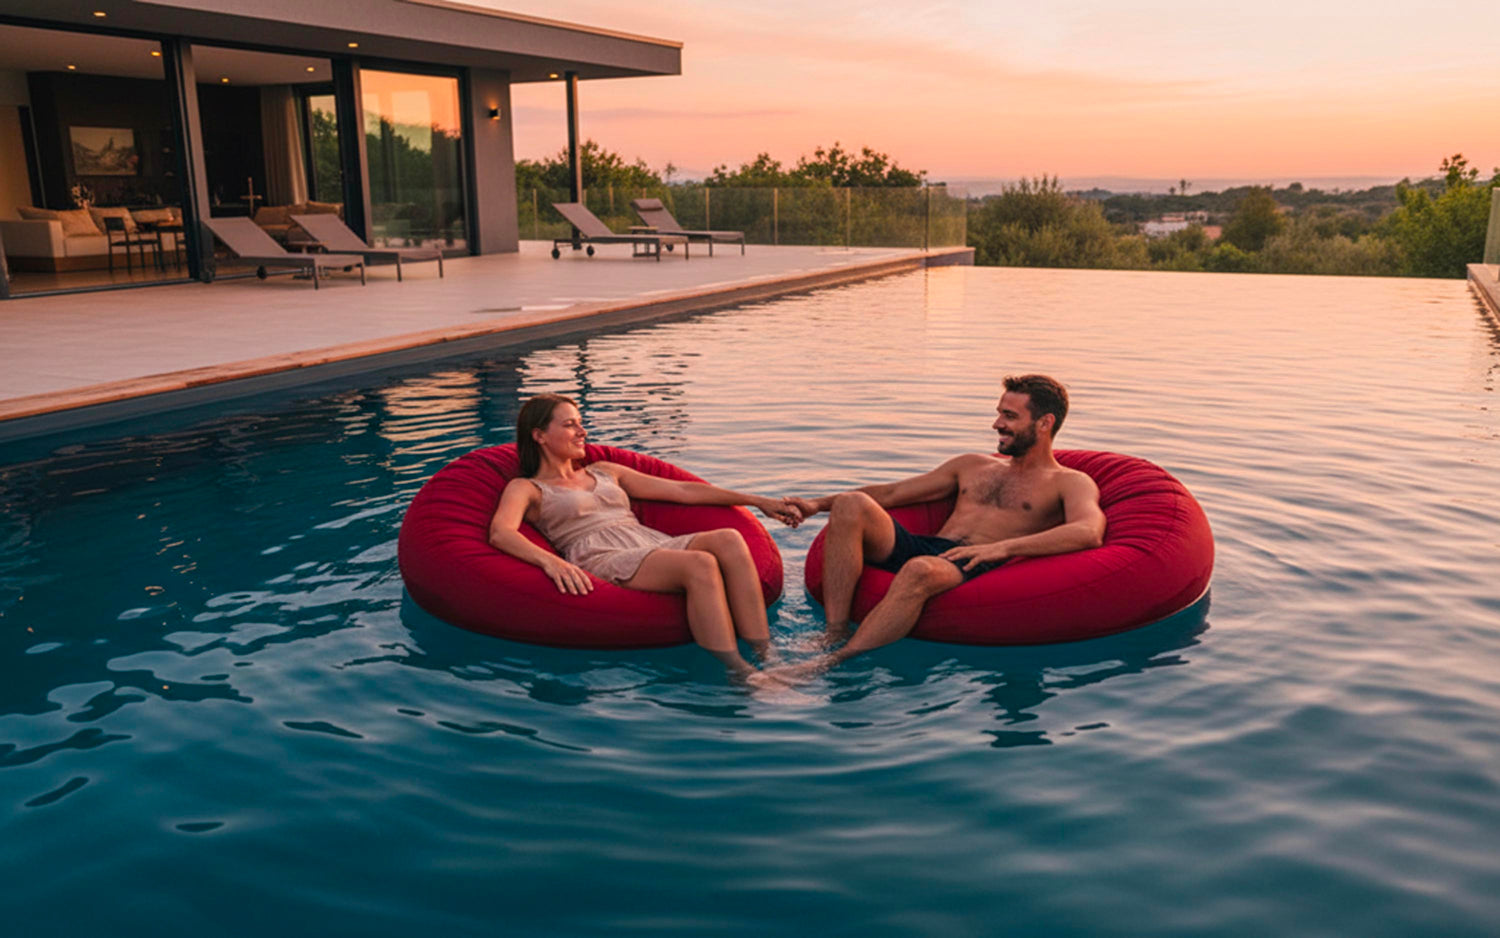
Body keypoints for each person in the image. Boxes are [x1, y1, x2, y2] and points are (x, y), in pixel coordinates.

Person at [778, 374, 1107, 675]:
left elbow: (1088, 532)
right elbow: (894, 492)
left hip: (976, 561)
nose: (996, 424)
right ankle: (833, 631)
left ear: (1044, 423)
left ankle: (828, 663)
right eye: (999, 413)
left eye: (1010, 416)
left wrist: (1002, 547)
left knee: (920, 569)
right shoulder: (972, 465)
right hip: (930, 546)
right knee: (852, 503)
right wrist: (815, 505)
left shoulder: (1070, 482)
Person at [488, 393, 802, 682]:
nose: (582, 431)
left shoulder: (604, 470)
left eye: (581, 423)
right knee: (699, 564)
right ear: (539, 435)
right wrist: (551, 562)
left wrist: (759, 501)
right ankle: (742, 673)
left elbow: (682, 491)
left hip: (648, 540)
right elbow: (501, 532)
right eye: (570, 425)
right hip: (601, 554)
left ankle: (769, 656)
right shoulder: (527, 488)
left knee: (729, 538)